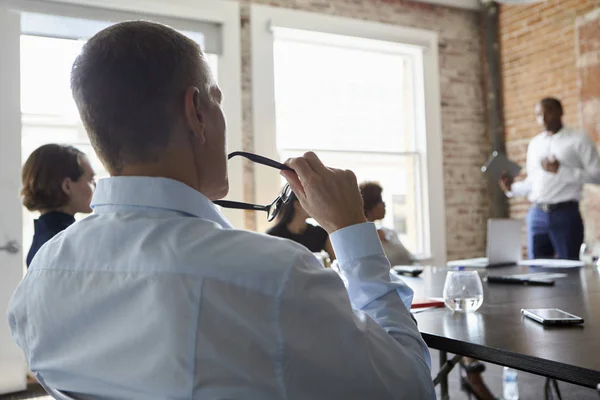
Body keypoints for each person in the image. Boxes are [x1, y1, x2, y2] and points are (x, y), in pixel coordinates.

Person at [8, 21, 435, 399]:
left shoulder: (38, 284)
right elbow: (410, 387)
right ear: (197, 112)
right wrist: (351, 232)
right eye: (218, 101)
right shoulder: (275, 277)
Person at [499, 97, 600, 260]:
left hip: (565, 213)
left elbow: (597, 175)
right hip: (536, 214)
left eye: (548, 112)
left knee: (570, 270)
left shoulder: (579, 139)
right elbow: (534, 182)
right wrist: (511, 188)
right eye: (539, 115)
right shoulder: (535, 144)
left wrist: (561, 170)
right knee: (537, 270)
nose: (543, 119)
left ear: (560, 111)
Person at [21, 144, 95, 267]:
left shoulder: (44, 235)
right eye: (91, 180)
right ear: (67, 186)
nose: (95, 186)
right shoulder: (65, 242)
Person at [266, 192, 335, 259]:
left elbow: (336, 260)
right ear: (297, 205)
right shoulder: (274, 235)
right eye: (310, 201)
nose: (316, 206)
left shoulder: (320, 233)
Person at [359, 182, 413, 266]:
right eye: (380, 200)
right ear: (369, 204)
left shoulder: (389, 232)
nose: (384, 204)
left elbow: (408, 258)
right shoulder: (361, 238)